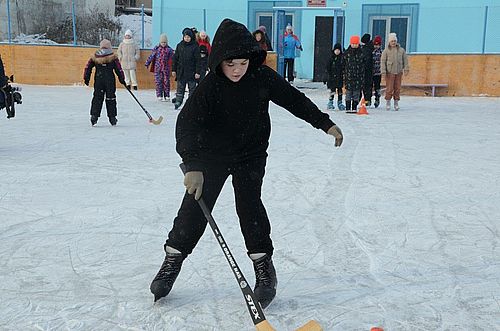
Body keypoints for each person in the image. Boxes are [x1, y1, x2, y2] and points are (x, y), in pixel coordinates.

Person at [149, 18, 343, 308]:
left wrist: (324, 123)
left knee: (250, 206)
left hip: (250, 154)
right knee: (194, 209)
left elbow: (294, 99)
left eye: (242, 63)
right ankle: (171, 262)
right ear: (220, 62)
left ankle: (264, 270)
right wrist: (192, 165)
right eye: (231, 64)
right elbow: (186, 123)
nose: (238, 70)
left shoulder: (261, 76)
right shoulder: (211, 85)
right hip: (211, 155)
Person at [83, 39, 125, 126]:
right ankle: (112, 118)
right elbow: (119, 69)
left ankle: (94, 116)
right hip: (109, 80)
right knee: (111, 98)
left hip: (99, 80)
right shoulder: (113, 57)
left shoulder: (95, 56)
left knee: (97, 97)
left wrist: (86, 78)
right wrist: (122, 79)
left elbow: (88, 67)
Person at [172, 28, 201, 110]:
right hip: (181, 72)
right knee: (180, 89)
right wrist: (173, 70)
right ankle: (178, 101)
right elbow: (175, 59)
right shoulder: (179, 45)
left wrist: (197, 72)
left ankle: (191, 103)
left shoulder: (195, 46)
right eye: (185, 37)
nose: (187, 38)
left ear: (191, 37)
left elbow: (198, 60)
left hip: (192, 72)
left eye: (188, 37)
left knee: (192, 89)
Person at [381, 33, 409, 111]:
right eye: (392, 41)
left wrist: (406, 69)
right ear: (389, 42)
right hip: (389, 72)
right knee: (389, 88)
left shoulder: (401, 50)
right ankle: (388, 102)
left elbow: (405, 60)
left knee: (397, 88)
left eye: (394, 41)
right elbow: (383, 62)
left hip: (398, 72)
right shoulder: (386, 51)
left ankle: (396, 102)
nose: (393, 42)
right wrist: (383, 72)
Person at [145, 34, 174, 101]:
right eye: (162, 42)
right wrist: (147, 63)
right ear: (160, 42)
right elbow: (151, 57)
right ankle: (159, 95)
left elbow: (173, 59)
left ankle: (167, 95)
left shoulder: (169, 50)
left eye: (164, 42)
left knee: (166, 82)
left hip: (166, 69)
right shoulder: (157, 49)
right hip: (157, 69)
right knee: (158, 82)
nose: (163, 44)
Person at [343, 35, 365, 113]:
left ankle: (354, 107)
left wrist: (362, 76)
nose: (354, 45)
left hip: (358, 77)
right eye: (353, 44)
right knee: (348, 93)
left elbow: (363, 64)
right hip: (349, 76)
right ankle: (348, 107)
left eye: (356, 44)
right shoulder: (347, 53)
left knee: (356, 93)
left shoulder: (361, 53)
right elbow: (344, 63)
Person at [324, 43, 345, 110]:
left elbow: (343, 67)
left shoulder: (342, 58)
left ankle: (340, 102)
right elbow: (327, 68)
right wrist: (326, 77)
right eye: (336, 50)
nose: (337, 51)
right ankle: (330, 102)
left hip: (339, 78)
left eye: (338, 50)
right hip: (332, 78)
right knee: (332, 91)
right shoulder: (331, 58)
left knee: (340, 91)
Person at [360, 33, 374, 106]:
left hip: (366, 70)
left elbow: (365, 59)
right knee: (368, 86)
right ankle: (368, 100)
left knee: (365, 85)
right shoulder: (370, 47)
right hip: (369, 70)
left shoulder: (366, 49)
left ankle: (366, 100)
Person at [371, 35, 383, 108]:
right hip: (371, 72)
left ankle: (377, 99)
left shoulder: (381, 52)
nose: (376, 46)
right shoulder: (371, 52)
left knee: (377, 87)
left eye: (378, 45)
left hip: (378, 73)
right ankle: (367, 99)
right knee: (369, 86)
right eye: (375, 45)